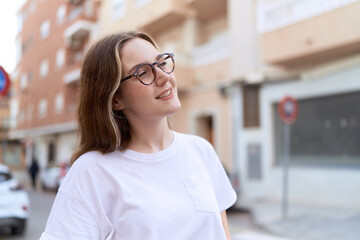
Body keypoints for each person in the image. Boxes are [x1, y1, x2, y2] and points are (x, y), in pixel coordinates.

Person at [40, 31, 237, 240]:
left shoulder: (200, 150)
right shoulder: (91, 172)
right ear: (115, 99)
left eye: (161, 62)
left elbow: (222, 234)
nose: (163, 76)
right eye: (142, 72)